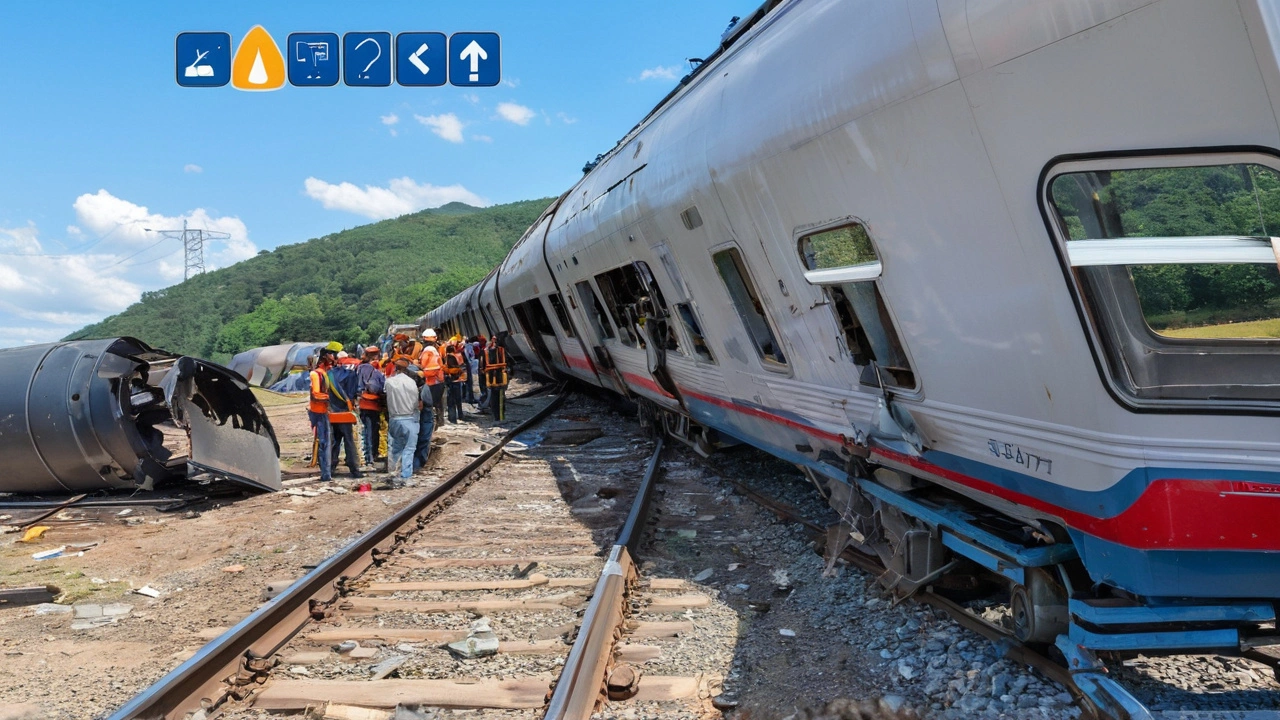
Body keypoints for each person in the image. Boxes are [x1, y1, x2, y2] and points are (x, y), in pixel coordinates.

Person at [325, 354, 363, 479]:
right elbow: (352, 394)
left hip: (331, 412)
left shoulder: (328, 374)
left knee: (334, 441)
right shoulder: (351, 375)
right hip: (345, 412)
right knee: (349, 441)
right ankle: (354, 469)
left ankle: (330, 467)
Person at [383, 359, 420, 487]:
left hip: (394, 418)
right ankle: (406, 475)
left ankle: (393, 473)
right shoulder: (412, 383)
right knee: (409, 449)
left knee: (395, 448)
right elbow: (416, 403)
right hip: (410, 418)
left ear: (395, 368)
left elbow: (385, 397)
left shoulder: (389, 382)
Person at [308, 347, 337, 482]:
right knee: (325, 443)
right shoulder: (316, 375)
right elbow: (315, 395)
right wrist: (329, 398)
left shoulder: (323, 374)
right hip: (319, 412)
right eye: (331, 356)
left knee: (327, 443)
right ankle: (325, 474)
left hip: (322, 411)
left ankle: (326, 472)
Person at [356, 345, 385, 468]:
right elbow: (382, 388)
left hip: (362, 403)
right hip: (374, 405)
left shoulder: (358, 369)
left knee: (365, 431)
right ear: (376, 356)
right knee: (373, 431)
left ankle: (367, 457)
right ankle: (372, 455)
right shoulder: (376, 372)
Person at [417, 328, 446, 428]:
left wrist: (415, 366)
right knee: (437, 404)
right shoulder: (435, 350)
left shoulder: (427, 351)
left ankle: (430, 425)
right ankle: (439, 421)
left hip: (431, 382)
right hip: (438, 381)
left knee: (428, 406)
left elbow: (425, 366)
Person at [482, 334, 509, 421]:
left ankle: (498, 416)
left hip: (494, 377)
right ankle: (499, 416)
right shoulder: (501, 350)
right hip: (498, 377)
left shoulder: (486, 351)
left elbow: (482, 366)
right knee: (499, 397)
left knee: (496, 397)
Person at [442, 341, 466, 424]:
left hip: (452, 380)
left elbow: (451, 369)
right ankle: (460, 415)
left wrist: (445, 370)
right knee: (458, 400)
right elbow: (462, 367)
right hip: (459, 379)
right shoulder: (459, 356)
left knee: (451, 401)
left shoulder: (448, 357)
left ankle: (452, 418)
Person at [462, 335, 478, 404]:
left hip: (468, 366)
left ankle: (468, 397)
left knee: (468, 383)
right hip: (471, 367)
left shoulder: (465, 347)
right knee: (472, 383)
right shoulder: (470, 347)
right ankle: (471, 398)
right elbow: (471, 356)